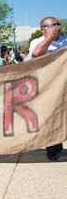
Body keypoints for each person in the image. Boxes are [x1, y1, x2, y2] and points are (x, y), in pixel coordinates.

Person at [27, 16, 67, 161]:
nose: (56, 27)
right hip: (47, 86)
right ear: (42, 29)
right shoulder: (36, 42)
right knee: (52, 117)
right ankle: (53, 149)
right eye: (51, 25)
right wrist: (50, 38)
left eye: (57, 24)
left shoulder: (65, 40)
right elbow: (37, 54)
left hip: (64, 84)